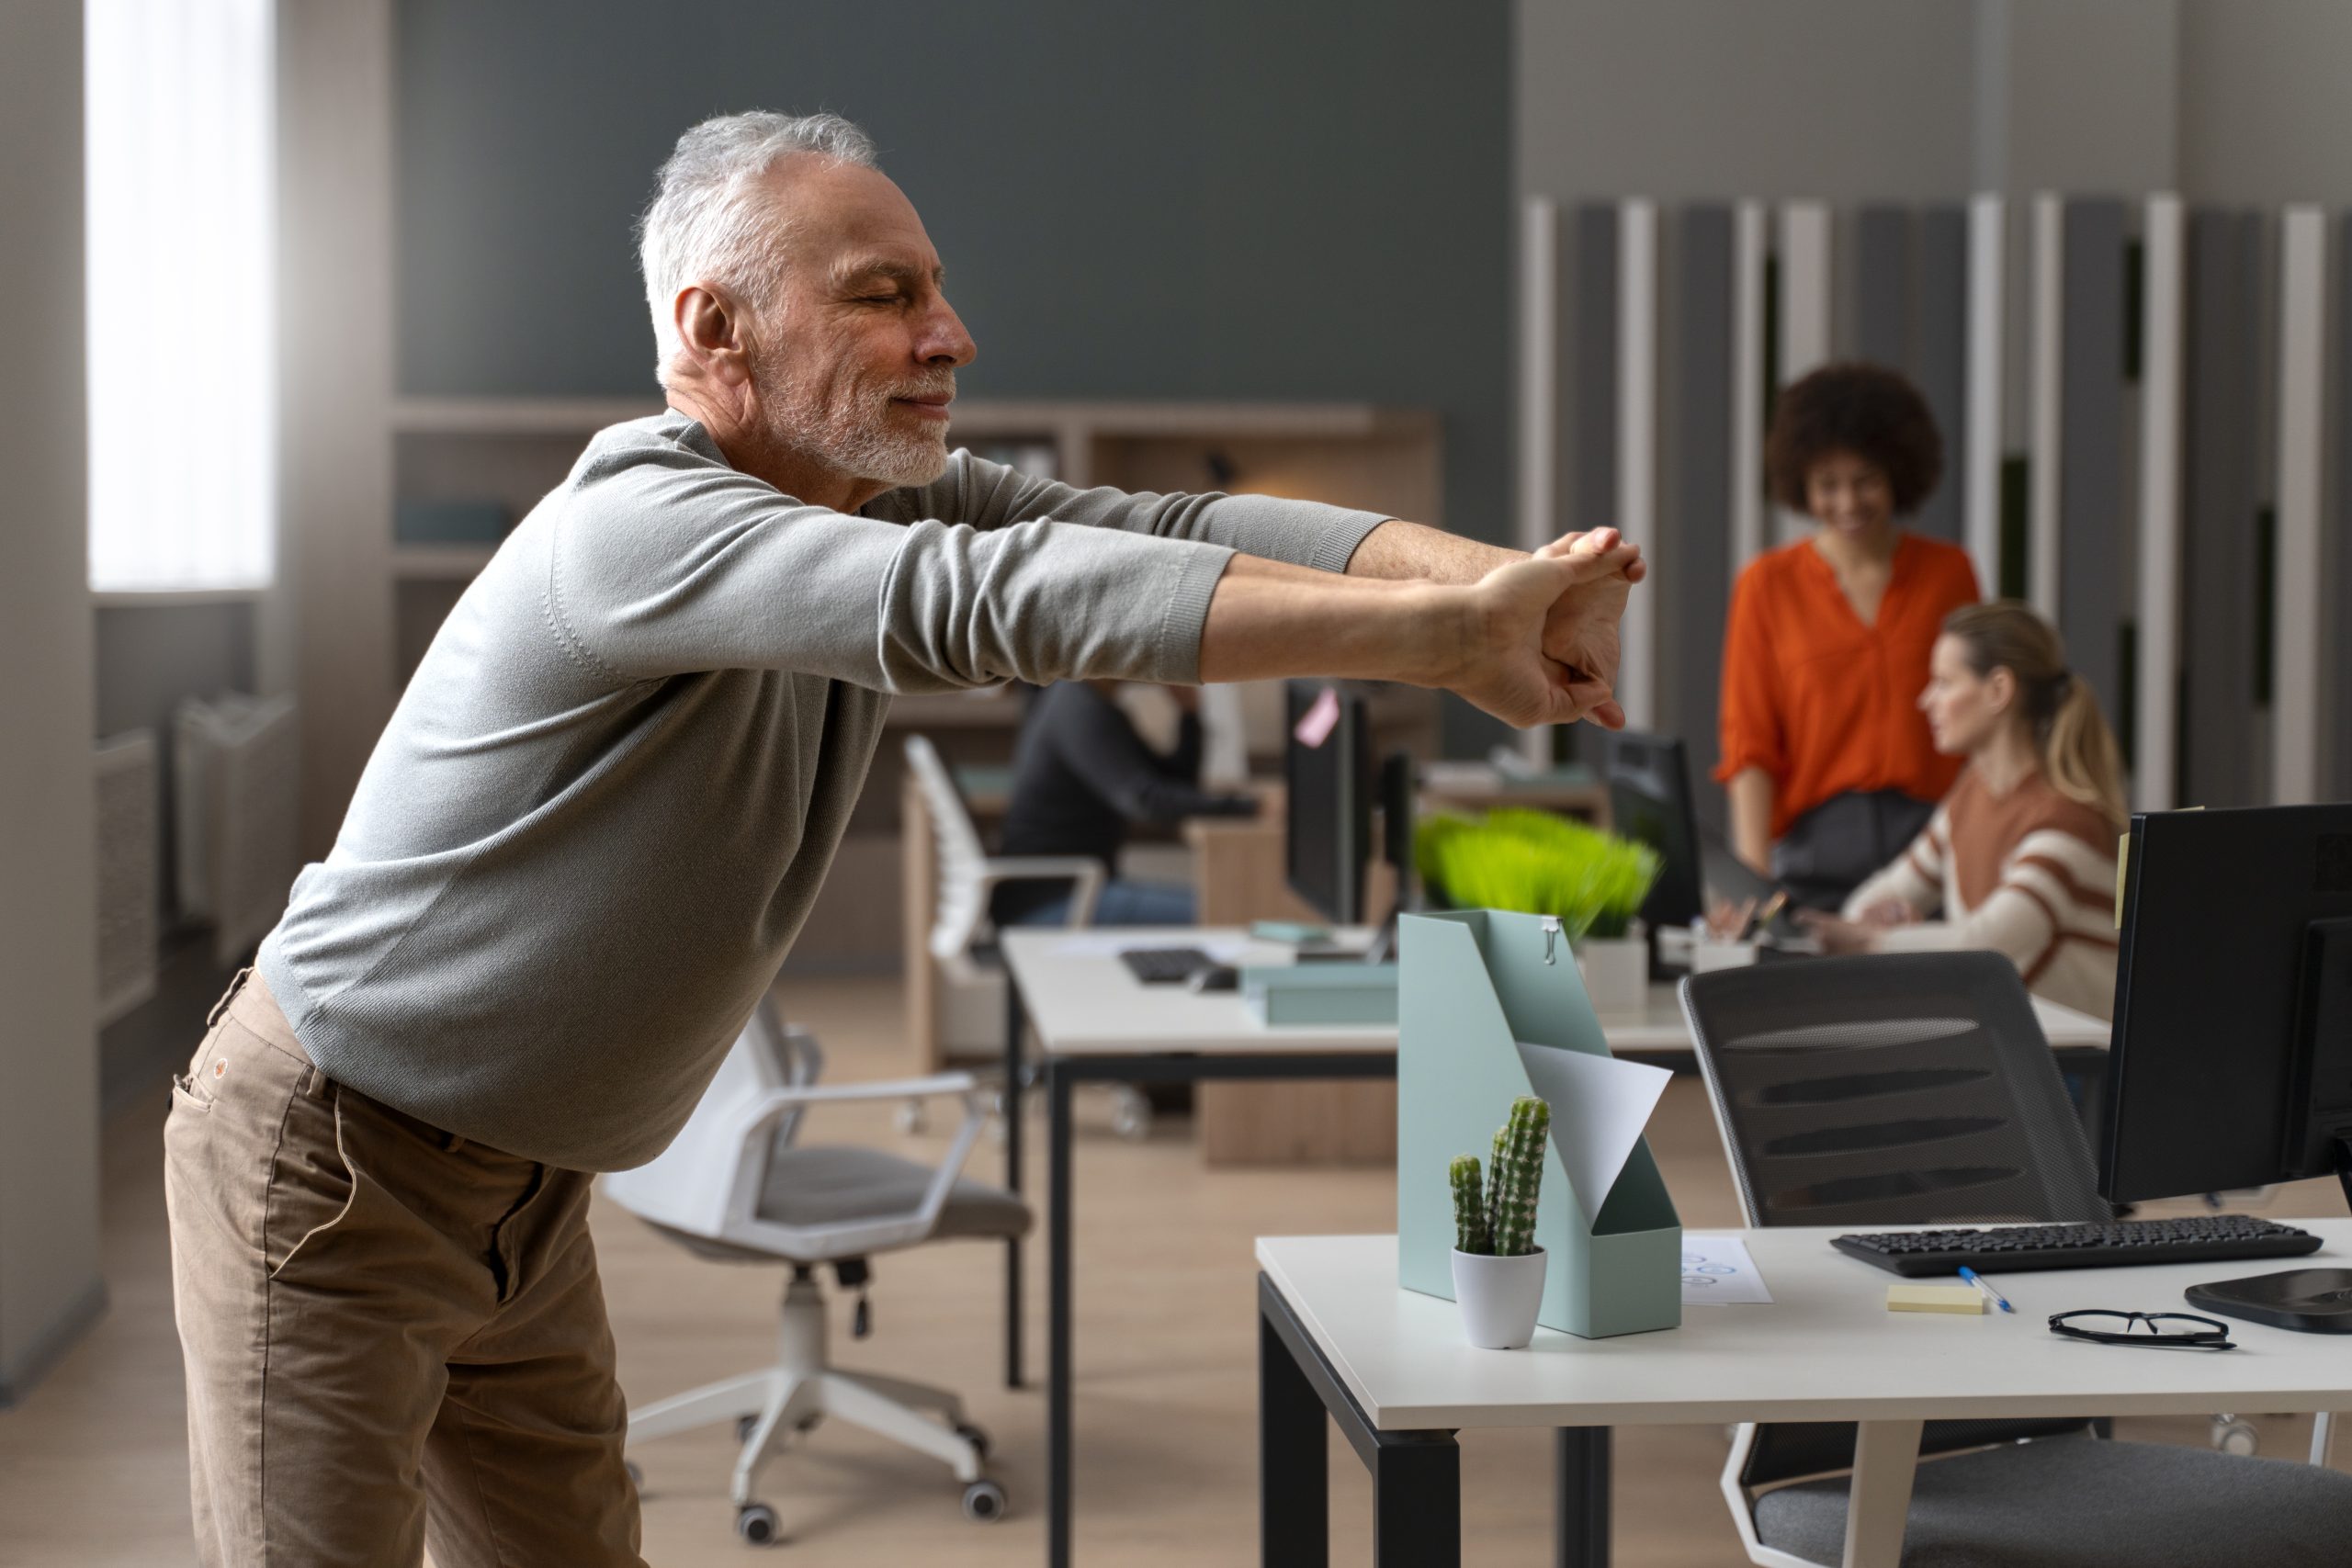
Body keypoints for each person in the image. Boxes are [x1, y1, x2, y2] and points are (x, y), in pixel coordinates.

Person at [162, 110, 1645, 1568]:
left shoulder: (861, 491)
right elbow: (993, 605)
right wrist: (1439, 639)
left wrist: (1509, 586)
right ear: (717, 326)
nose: (953, 334)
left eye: (934, 289)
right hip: (337, 1159)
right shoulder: (638, 526)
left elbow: (1173, 530)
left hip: (524, 1188)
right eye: (885, 296)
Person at [1716, 362, 1982, 909]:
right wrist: (1756, 886)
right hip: (1813, 858)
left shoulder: (1949, 574)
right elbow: (1750, 747)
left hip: (1931, 855)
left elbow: (1981, 724)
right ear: (1800, 485)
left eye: (1866, 481)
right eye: (1827, 486)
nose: (1848, 503)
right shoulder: (1766, 586)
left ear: (1898, 474)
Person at [1799, 602, 2124, 1021]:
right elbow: (1866, 904)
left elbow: (1988, 946)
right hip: (2018, 1047)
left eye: (1943, 683)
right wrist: (1881, 923)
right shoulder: (1969, 796)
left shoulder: (2067, 819)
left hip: (2077, 1068)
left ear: (1998, 691)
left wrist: (1873, 942)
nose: (1924, 700)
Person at [990, 682, 1257, 929]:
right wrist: (1253, 808)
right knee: (1230, 911)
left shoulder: (1096, 704)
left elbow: (1172, 783)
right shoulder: (1078, 707)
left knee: (1231, 906)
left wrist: (1189, 713)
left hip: (1080, 889)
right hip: (1051, 902)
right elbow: (1146, 801)